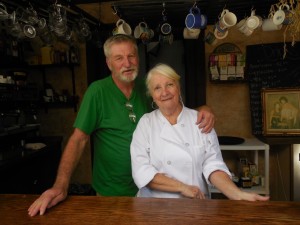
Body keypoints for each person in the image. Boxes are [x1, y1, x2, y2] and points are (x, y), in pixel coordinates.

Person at [28, 34, 215, 216]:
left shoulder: (148, 87)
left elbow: (175, 109)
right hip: (112, 191)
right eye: (119, 58)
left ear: (138, 59)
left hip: (151, 190)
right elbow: (78, 140)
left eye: (131, 56)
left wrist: (204, 108)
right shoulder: (97, 92)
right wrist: (60, 186)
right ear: (109, 63)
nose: (127, 63)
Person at [130, 63, 269, 201]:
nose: (164, 92)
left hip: (195, 204)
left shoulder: (200, 120)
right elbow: (142, 172)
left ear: (178, 87)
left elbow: (213, 165)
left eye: (169, 85)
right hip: (154, 207)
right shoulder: (146, 124)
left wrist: (237, 194)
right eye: (157, 88)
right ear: (152, 96)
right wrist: (183, 187)